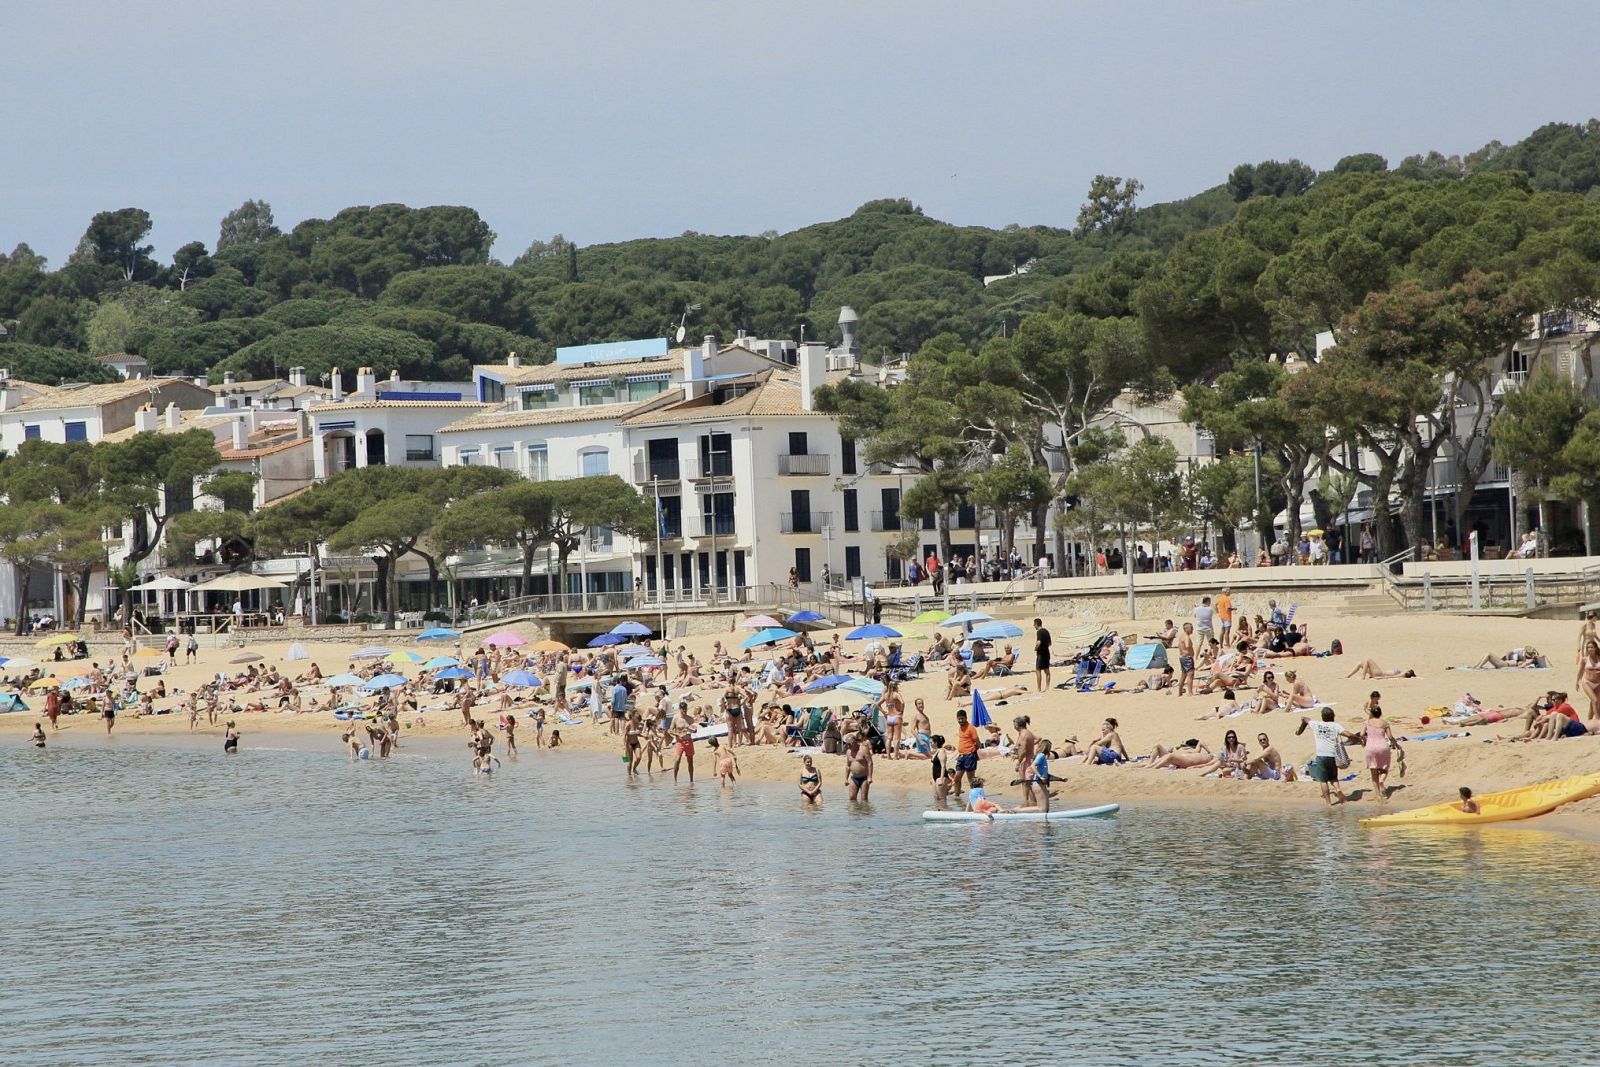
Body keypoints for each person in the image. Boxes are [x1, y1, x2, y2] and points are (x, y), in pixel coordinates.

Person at [1296, 707, 1356, 806]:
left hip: (1321, 756)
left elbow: (1305, 718)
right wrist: (1358, 738)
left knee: (1323, 781)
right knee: (1333, 778)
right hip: (1333, 756)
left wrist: (1300, 729)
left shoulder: (1316, 724)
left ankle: (1328, 803)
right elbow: (1348, 734)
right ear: (1333, 716)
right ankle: (1337, 789)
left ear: (1322, 716)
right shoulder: (1335, 726)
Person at [1361, 704, 1400, 800]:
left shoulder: (1367, 722)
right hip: (1383, 747)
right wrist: (1396, 745)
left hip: (1370, 748)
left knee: (1374, 773)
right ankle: (1382, 780)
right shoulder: (1385, 723)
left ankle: (1378, 795)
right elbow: (1390, 737)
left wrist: (1365, 741)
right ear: (1380, 713)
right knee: (1384, 768)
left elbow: (1362, 734)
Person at [952, 709, 980, 796]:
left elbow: (977, 742)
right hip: (961, 756)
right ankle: (957, 795)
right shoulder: (960, 728)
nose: (960, 721)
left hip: (970, 755)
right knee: (957, 777)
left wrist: (973, 751)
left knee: (970, 778)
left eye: (962, 719)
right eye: (959, 719)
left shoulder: (971, 728)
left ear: (966, 718)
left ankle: (974, 795)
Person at [847, 733, 873, 802]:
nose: (848, 745)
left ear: (855, 742)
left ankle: (864, 812)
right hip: (854, 778)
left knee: (864, 799)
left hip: (864, 778)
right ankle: (855, 813)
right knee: (852, 798)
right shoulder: (849, 752)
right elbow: (848, 766)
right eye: (847, 744)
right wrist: (846, 779)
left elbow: (870, 762)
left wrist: (870, 777)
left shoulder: (864, 749)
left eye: (850, 744)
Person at [1175, 622, 1197, 696]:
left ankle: (1180, 692)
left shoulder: (1181, 636)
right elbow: (1187, 645)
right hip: (1187, 658)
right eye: (1191, 628)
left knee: (1183, 675)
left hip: (1182, 657)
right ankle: (1190, 693)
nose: (1192, 629)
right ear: (1186, 628)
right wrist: (1190, 646)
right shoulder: (1186, 636)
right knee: (1190, 674)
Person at [1347, 658, 1416, 680]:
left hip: (1380, 673)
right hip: (1378, 673)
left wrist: (1380, 677)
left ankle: (1363, 677)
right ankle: (1348, 676)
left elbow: (1393, 677)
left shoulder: (1403, 674)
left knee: (1368, 660)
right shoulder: (1402, 672)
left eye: (1408, 670)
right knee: (1360, 663)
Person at [1033, 618, 1052, 691]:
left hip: (1041, 654)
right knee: (1047, 671)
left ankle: (1039, 688)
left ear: (1037, 624)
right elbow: (1050, 643)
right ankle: (1047, 687)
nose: (1034, 626)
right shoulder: (1046, 631)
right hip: (1046, 653)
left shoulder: (1039, 632)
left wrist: (1035, 648)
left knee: (1038, 670)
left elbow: (1038, 642)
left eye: (1034, 624)